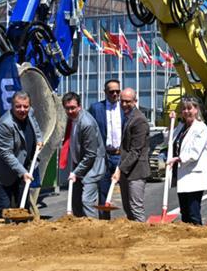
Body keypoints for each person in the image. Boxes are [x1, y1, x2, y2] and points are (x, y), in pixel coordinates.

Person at [0, 91, 43, 219]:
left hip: (23, 168)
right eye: (18, 106)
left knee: (23, 207)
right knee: (4, 208)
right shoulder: (4, 125)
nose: (22, 110)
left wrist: (39, 139)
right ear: (12, 106)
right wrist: (23, 172)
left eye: (25, 106)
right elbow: (6, 154)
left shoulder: (30, 112)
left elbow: (36, 127)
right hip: (2, 173)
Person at [61, 92, 106, 218]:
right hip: (79, 166)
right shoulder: (72, 120)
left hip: (92, 168)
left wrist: (76, 173)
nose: (70, 111)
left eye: (73, 108)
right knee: (76, 203)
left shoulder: (86, 123)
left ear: (79, 106)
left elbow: (91, 154)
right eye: (67, 108)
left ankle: (93, 232)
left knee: (87, 201)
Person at [166, 97, 207, 225]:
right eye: (183, 109)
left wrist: (178, 158)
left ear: (196, 110)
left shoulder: (201, 128)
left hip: (194, 175)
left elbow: (195, 152)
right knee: (184, 213)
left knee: (193, 212)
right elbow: (168, 141)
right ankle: (187, 241)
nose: (186, 111)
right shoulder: (181, 126)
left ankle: (198, 240)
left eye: (189, 108)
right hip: (183, 174)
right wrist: (171, 123)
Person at [88, 79, 125, 220]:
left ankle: (132, 223)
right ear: (105, 92)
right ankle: (104, 222)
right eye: (111, 91)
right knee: (103, 192)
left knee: (127, 191)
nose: (115, 94)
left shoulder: (125, 108)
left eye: (117, 91)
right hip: (104, 157)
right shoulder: (96, 108)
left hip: (121, 156)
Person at [111, 88, 150, 221]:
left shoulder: (139, 120)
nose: (124, 104)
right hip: (127, 170)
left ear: (135, 101)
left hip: (137, 171)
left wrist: (120, 170)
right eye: (122, 101)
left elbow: (136, 151)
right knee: (128, 208)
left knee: (135, 208)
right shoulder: (127, 117)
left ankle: (143, 238)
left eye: (128, 101)